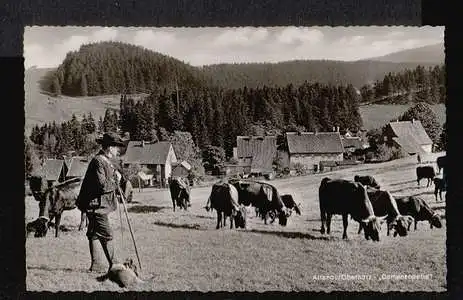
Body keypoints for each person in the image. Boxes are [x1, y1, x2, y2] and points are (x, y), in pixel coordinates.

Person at [77, 132, 125, 273]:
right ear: (110, 147)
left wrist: (116, 178)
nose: (118, 150)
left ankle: (96, 265)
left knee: (94, 233)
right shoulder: (98, 161)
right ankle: (116, 267)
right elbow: (102, 185)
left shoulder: (105, 161)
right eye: (117, 147)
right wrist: (116, 181)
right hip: (96, 206)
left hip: (96, 204)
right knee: (107, 233)